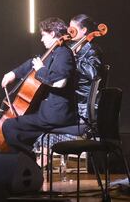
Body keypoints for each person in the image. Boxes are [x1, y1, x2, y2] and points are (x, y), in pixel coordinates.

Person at [0, 17, 77, 158]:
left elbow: (60, 82)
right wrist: (13, 73)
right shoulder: (54, 52)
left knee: (9, 126)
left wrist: (41, 70)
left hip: (56, 115)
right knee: (18, 129)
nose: (41, 39)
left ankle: (27, 162)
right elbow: (33, 63)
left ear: (52, 34)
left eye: (43, 35)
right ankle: (28, 161)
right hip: (48, 112)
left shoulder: (64, 54)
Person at [31, 14, 104, 157]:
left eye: (73, 29)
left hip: (82, 105)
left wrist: (71, 63)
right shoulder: (69, 48)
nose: (68, 32)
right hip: (70, 99)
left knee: (44, 129)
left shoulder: (93, 50)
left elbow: (92, 72)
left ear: (84, 31)